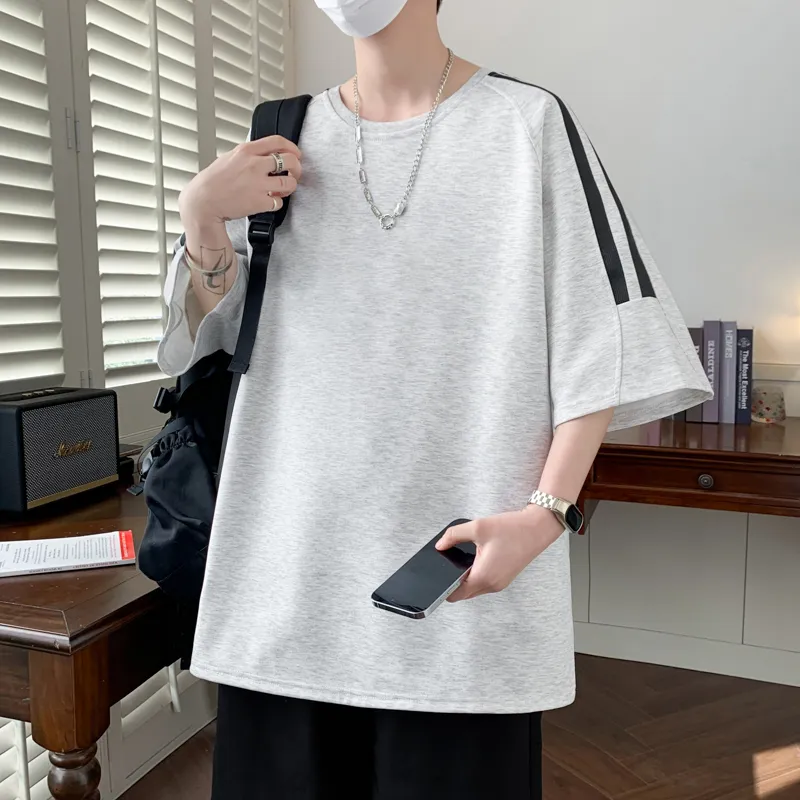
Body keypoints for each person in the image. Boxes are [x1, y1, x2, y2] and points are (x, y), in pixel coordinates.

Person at [158, 0, 712, 797]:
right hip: (284, 591)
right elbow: (211, 346)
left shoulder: (528, 125)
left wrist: (545, 516)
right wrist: (202, 217)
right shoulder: (277, 142)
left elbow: (601, 339)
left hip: (460, 596)